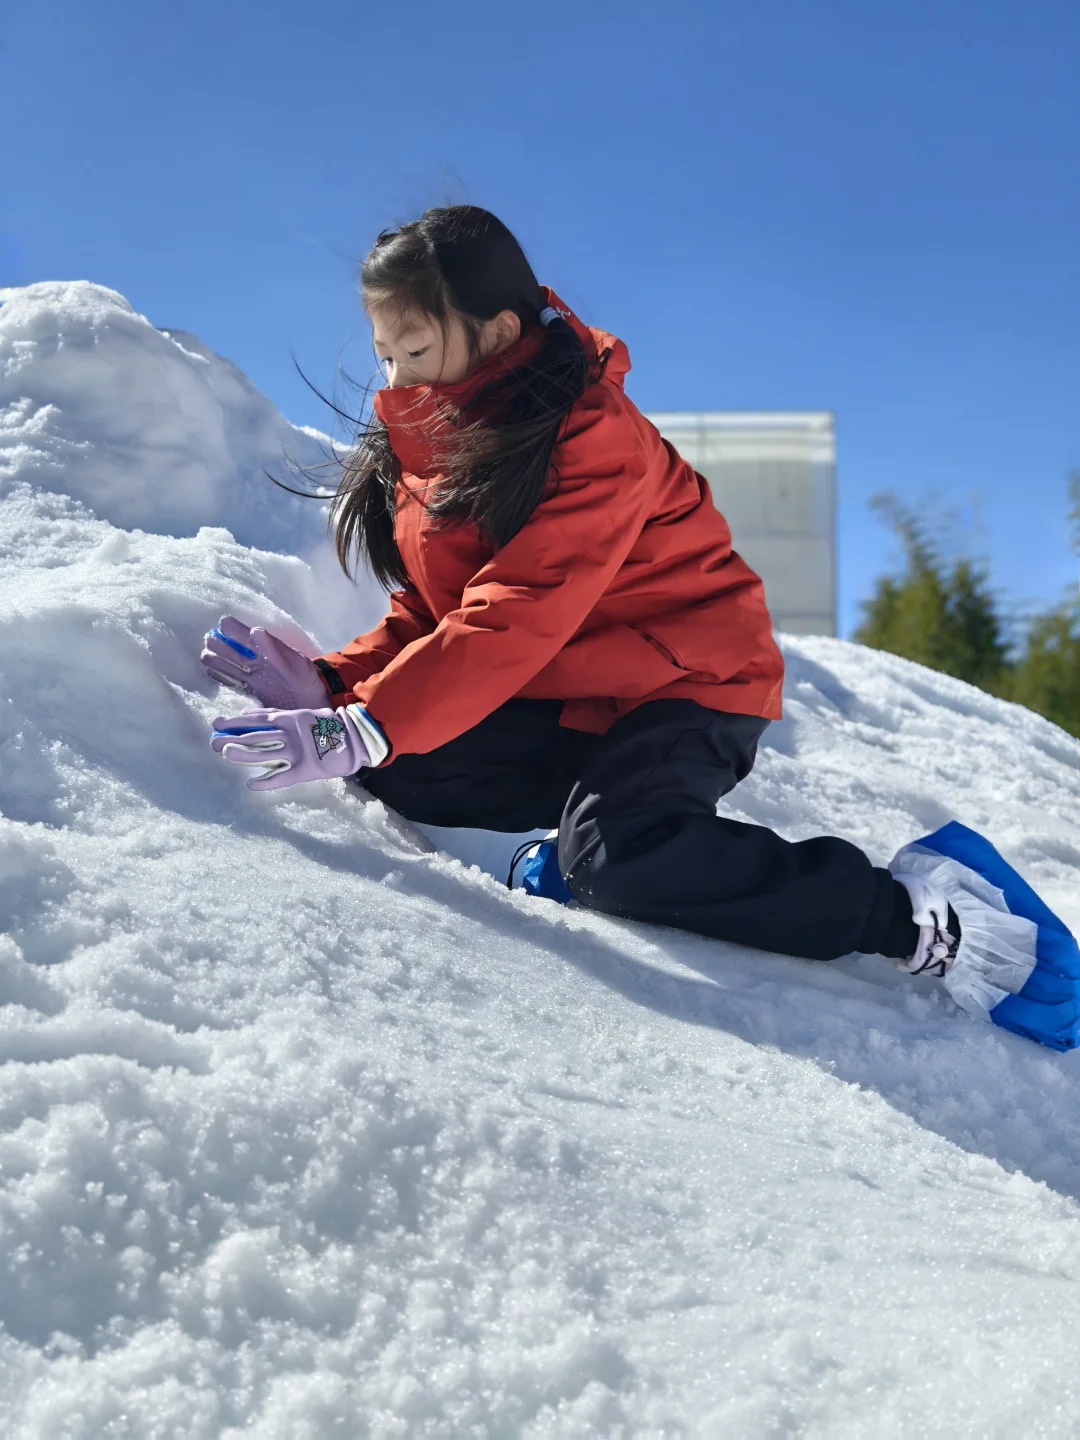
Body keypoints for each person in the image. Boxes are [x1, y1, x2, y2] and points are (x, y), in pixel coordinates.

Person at [204, 206, 1079, 1049]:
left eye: (418, 350)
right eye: (385, 355)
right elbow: (444, 610)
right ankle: (592, 841)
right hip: (580, 686)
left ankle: (917, 914)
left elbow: (515, 614)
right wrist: (335, 684)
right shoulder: (440, 441)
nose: (396, 380)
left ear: (500, 333)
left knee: (618, 857)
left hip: (691, 682)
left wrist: (360, 725)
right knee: (412, 769)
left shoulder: (592, 440)